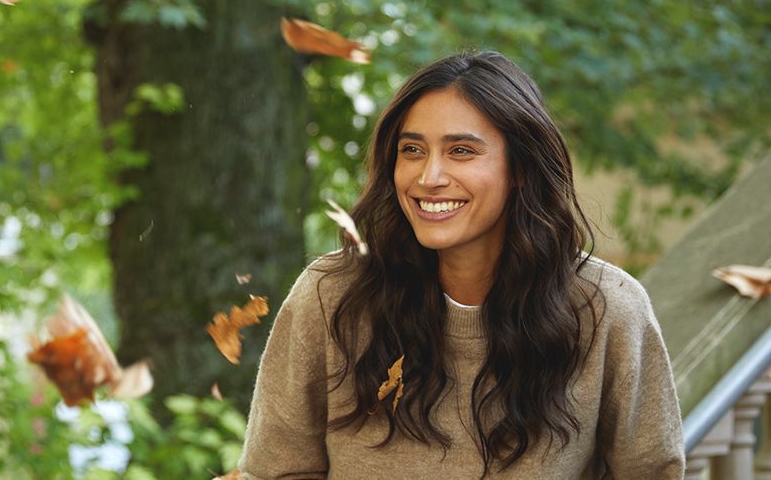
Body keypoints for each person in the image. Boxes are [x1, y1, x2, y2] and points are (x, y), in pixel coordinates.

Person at [239, 51, 684, 479]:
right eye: (412, 150)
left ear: (521, 168)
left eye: (461, 152)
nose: (428, 177)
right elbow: (276, 471)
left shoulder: (607, 309)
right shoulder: (331, 295)